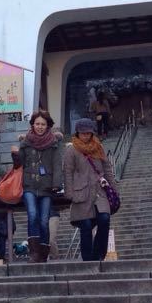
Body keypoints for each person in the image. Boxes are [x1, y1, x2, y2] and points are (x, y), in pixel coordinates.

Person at [10, 109, 63, 263]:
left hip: (46, 187)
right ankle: (34, 252)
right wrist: (15, 155)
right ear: (32, 125)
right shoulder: (26, 142)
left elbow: (57, 164)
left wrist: (56, 184)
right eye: (37, 124)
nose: (40, 126)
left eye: (43, 124)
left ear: (48, 126)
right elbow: (19, 165)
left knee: (44, 220)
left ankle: (43, 253)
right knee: (33, 215)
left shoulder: (54, 142)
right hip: (29, 185)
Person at [63, 118, 117, 261]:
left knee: (104, 219)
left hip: (100, 191)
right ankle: (88, 258)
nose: (86, 136)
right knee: (85, 225)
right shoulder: (72, 150)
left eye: (89, 133)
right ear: (78, 133)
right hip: (81, 192)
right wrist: (69, 193)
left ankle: (99, 254)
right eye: (83, 133)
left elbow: (107, 168)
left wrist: (113, 189)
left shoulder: (98, 147)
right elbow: (67, 171)